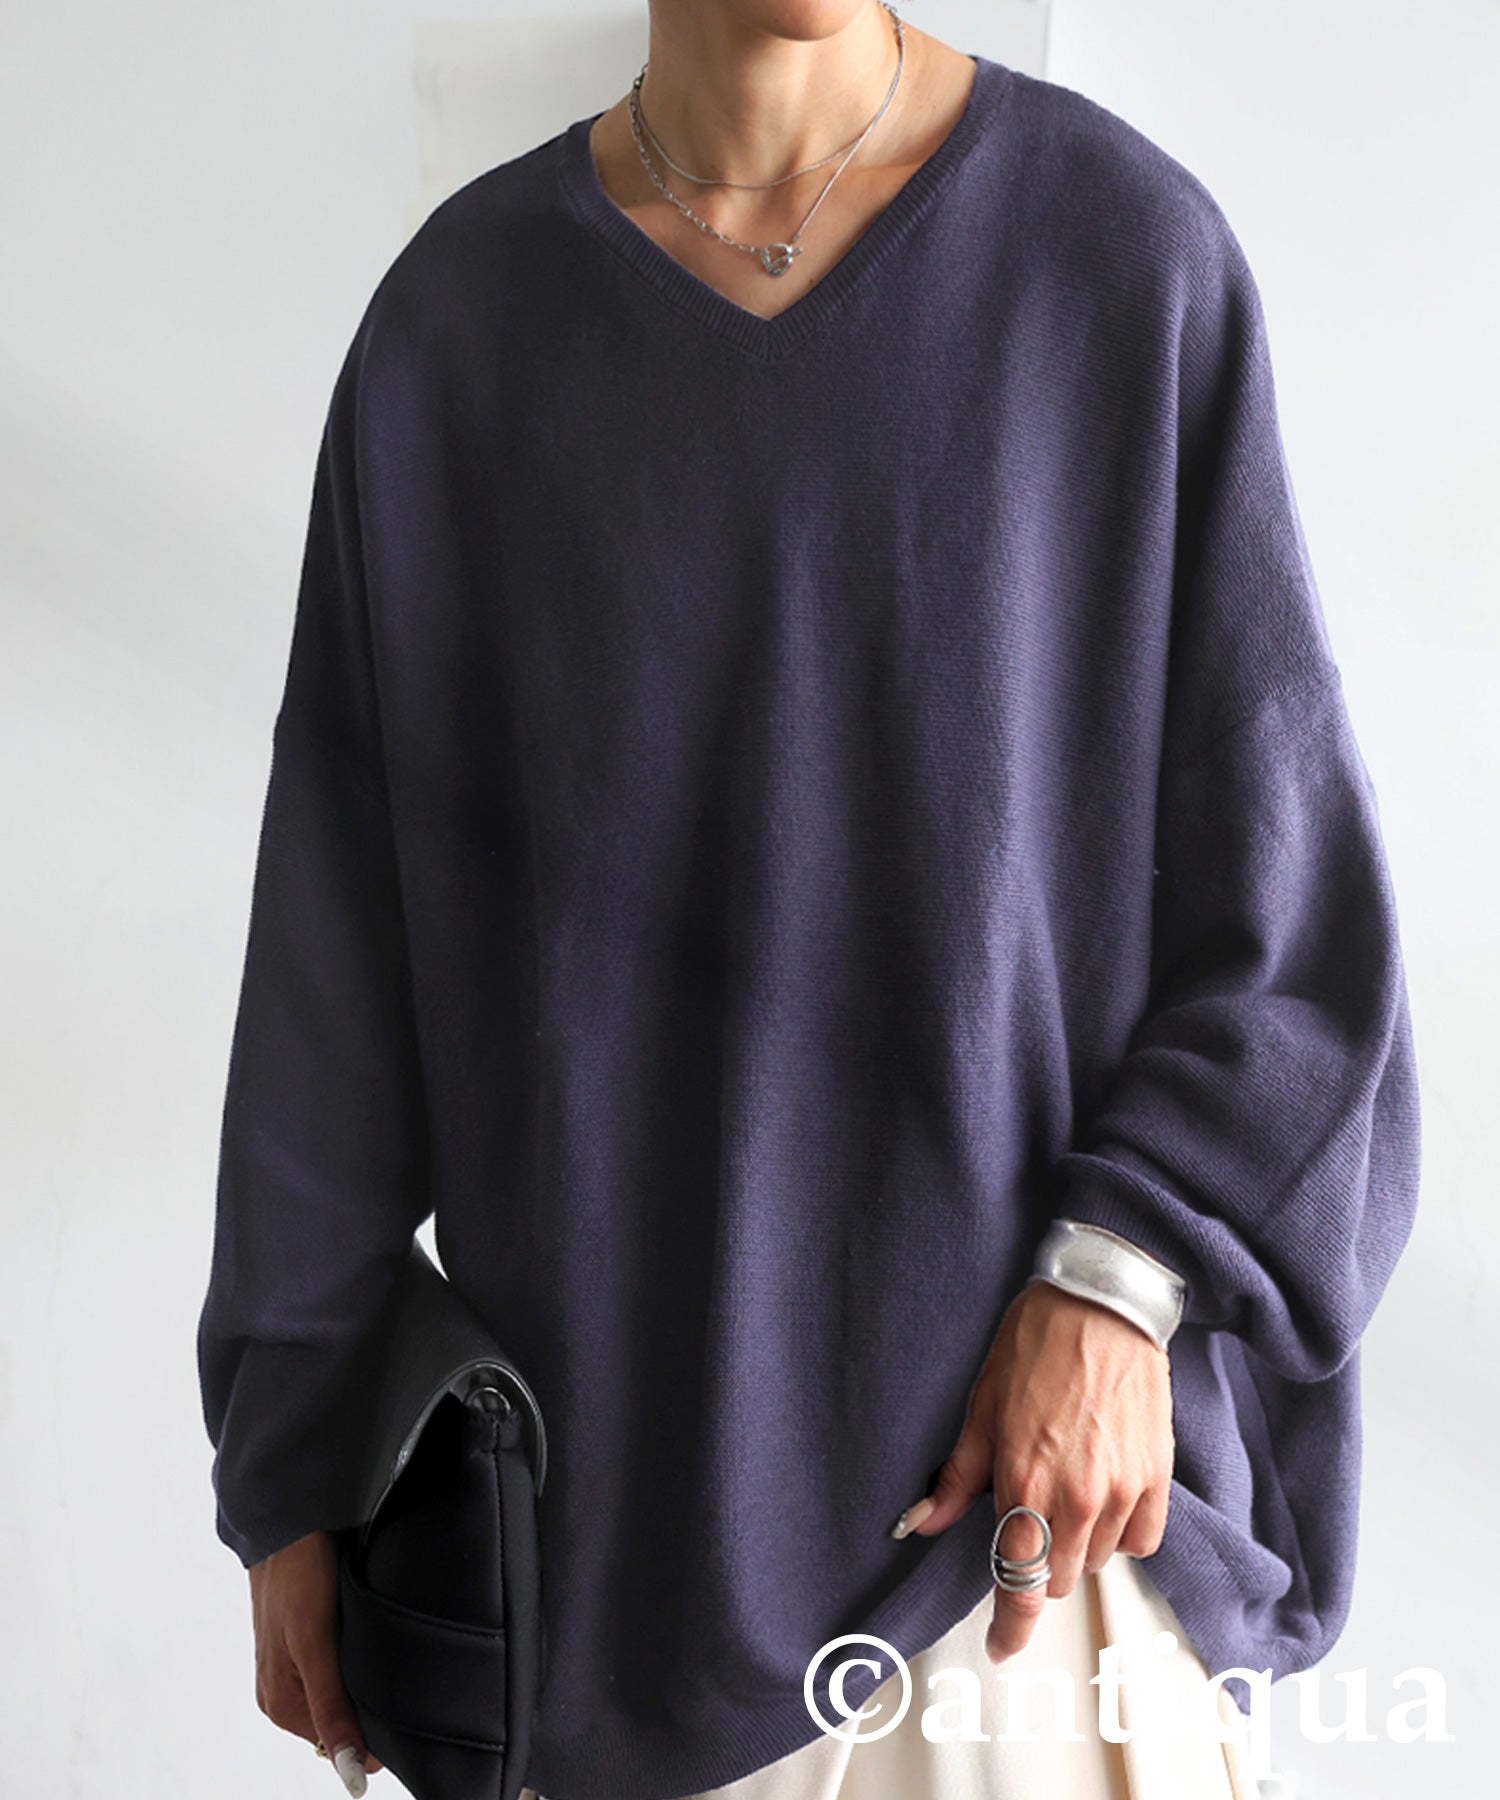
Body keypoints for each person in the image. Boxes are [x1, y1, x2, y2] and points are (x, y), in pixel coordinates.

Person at [195, 5, 1422, 1798]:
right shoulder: (458, 334)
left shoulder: (1116, 263)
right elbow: (335, 963)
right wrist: (297, 1459)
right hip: (598, 1613)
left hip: (1032, 1582)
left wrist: (1122, 1282)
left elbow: (1304, 948)